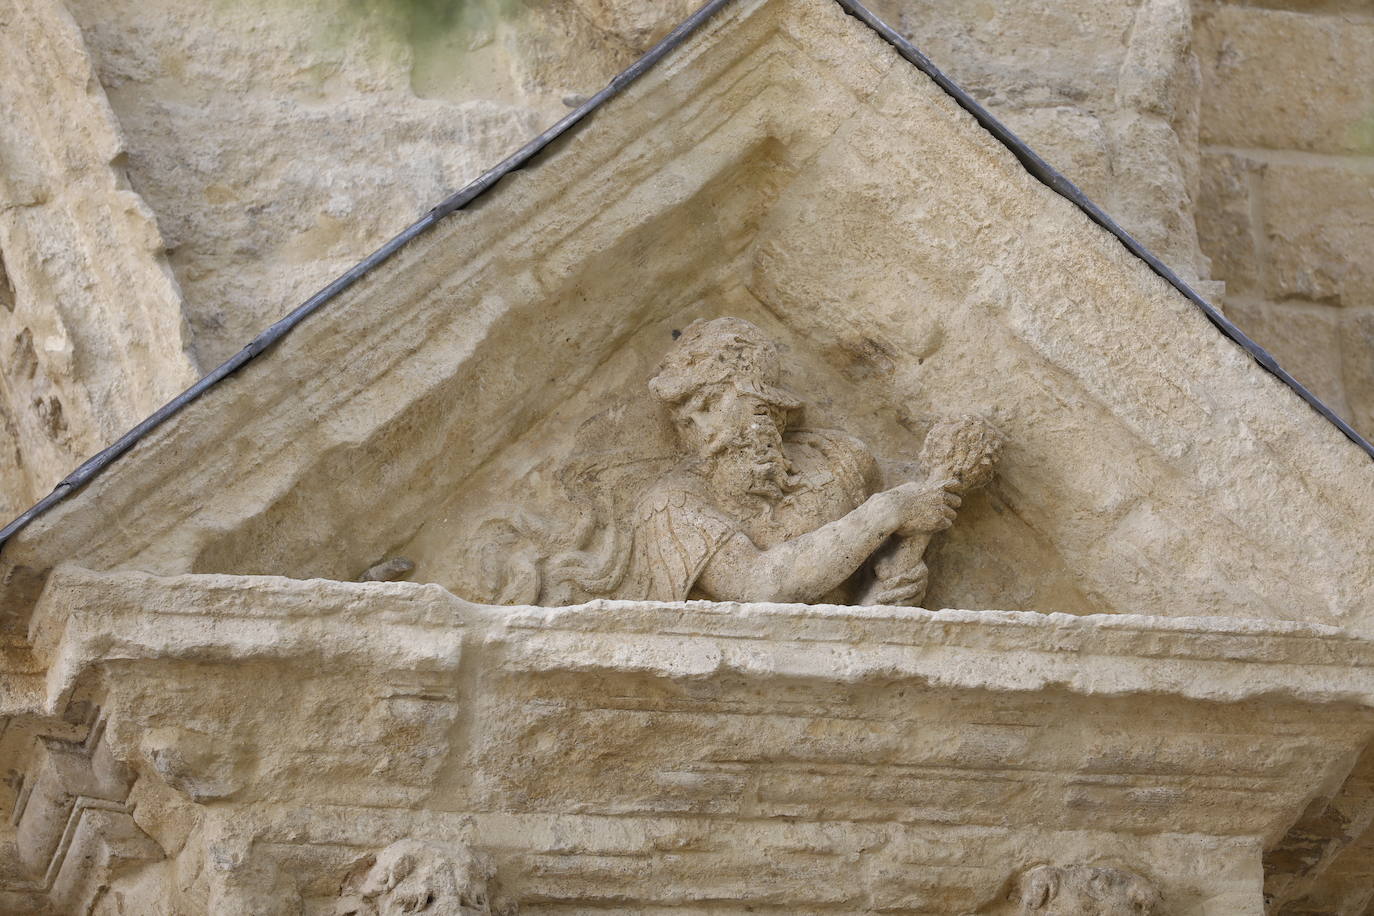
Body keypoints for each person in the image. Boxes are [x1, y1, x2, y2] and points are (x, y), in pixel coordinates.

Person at [618, 317, 961, 604]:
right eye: (686, 422)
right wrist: (885, 512)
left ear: (766, 404)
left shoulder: (840, 461)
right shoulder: (671, 505)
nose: (705, 434)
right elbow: (755, 585)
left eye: (710, 405)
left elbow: (887, 563)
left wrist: (881, 593)